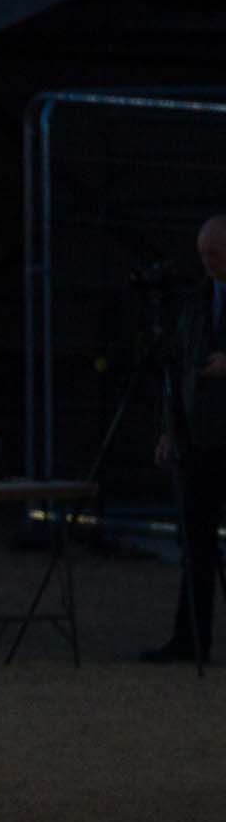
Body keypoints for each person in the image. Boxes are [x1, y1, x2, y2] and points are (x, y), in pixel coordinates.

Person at [142, 214, 226, 665]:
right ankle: (190, 637)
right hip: (200, 439)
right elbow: (176, 371)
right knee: (195, 543)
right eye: (204, 256)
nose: (208, 263)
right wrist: (169, 430)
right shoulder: (196, 305)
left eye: (215, 254)